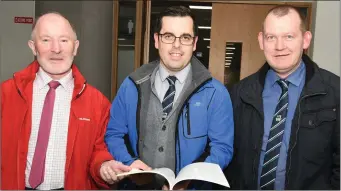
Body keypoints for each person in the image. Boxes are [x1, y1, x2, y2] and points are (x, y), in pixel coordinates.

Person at [105, 6, 234, 190]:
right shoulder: (132, 85)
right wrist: (130, 163)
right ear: (157, 40)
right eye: (168, 36)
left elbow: (222, 148)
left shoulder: (216, 93)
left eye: (185, 37)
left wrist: (191, 179)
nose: (176, 45)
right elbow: (114, 134)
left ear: (194, 43)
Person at [1, 12, 132, 190]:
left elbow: (99, 150)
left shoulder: (97, 103)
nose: (56, 49)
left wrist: (104, 166)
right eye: (46, 40)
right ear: (33, 47)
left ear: (75, 47)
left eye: (64, 40)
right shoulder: (6, 94)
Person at [226, 5, 340, 190]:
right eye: (271, 37)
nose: (279, 47)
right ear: (261, 41)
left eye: (289, 36)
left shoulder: (335, 92)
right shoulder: (239, 94)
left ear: (305, 40)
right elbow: (228, 158)